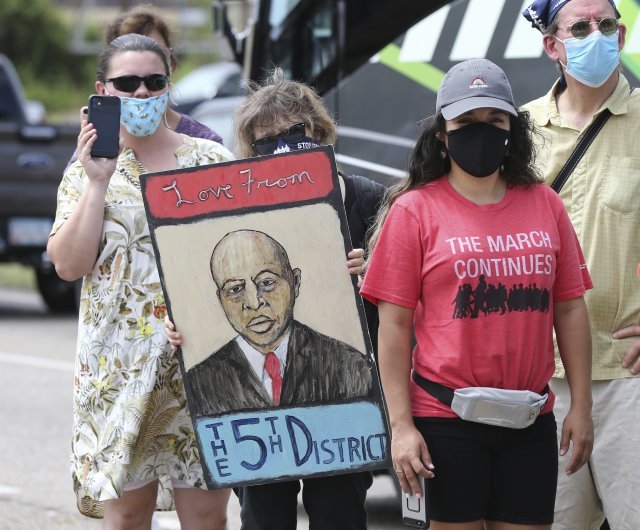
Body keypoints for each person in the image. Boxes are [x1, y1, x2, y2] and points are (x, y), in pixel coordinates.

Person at [360, 58, 594, 529]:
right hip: (445, 423)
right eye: (466, 122)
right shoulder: (414, 211)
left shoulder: (544, 203)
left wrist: (582, 408)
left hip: (530, 422)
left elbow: (569, 309)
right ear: (442, 134)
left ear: (513, 129)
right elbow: (394, 327)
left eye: (494, 121)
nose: (481, 132)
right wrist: (402, 427)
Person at [166, 67, 385, 530]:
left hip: (345, 404)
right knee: (263, 519)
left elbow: (415, 302)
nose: (283, 145)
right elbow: (199, 289)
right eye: (267, 140)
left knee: (339, 517)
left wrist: (380, 271)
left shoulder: (372, 201)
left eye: (293, 131)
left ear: (320, 132)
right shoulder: (231, 212)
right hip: (253, 418)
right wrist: (187, 320)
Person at [47, 34, 234, 529]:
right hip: (118, 371)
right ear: (102, 90)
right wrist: (97, 181)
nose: (142, 94)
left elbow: (243, 247)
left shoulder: (210, 160)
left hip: (203, 366)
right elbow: (68, 265)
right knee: (127, 516)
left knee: (208, 517)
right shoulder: (85, 174)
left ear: (169, 86)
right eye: (127, 83)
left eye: (154, 82)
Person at [522, 1, 640, 528]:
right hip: (539, 380)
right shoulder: (518, 131)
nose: (598, 35)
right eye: (581, 27)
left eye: (608, 25)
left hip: (628, 377)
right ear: (552, 46)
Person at [186, 229, 373, 416]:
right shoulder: (199, 382)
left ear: (295, 282)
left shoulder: (348, 365)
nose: (254, 303)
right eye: (235, 289)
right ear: (221, 300)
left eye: (267, 282)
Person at [66, 4, 222, 168]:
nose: (143, 55)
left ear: (171, 66)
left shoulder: (207, 149)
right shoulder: (96, 149)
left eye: (156, 50)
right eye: (127, 48)